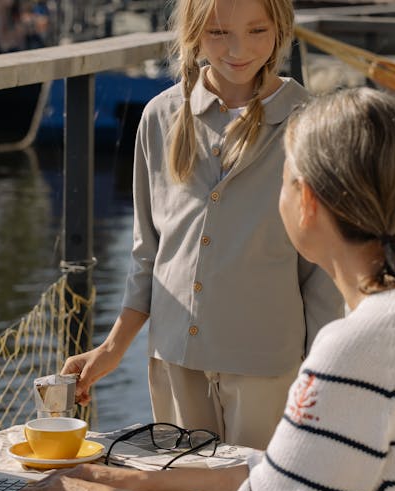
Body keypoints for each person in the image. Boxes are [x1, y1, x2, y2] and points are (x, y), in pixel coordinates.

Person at [3, 87, 395, 491]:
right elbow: (284, 476)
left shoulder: (364, 348)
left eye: (284, 177)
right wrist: (114, 479)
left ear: (309, 205)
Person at [60, 0, 342, 450]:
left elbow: (324, 271)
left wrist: (325, 371)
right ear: (193, 33)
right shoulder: (158, 117)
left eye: (256, 30)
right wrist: (111, 349)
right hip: (174, 361)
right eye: (218, 33)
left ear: (280, 28)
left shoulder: (311, 125)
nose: (238, 49)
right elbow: (148, 253)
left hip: (266, 364)